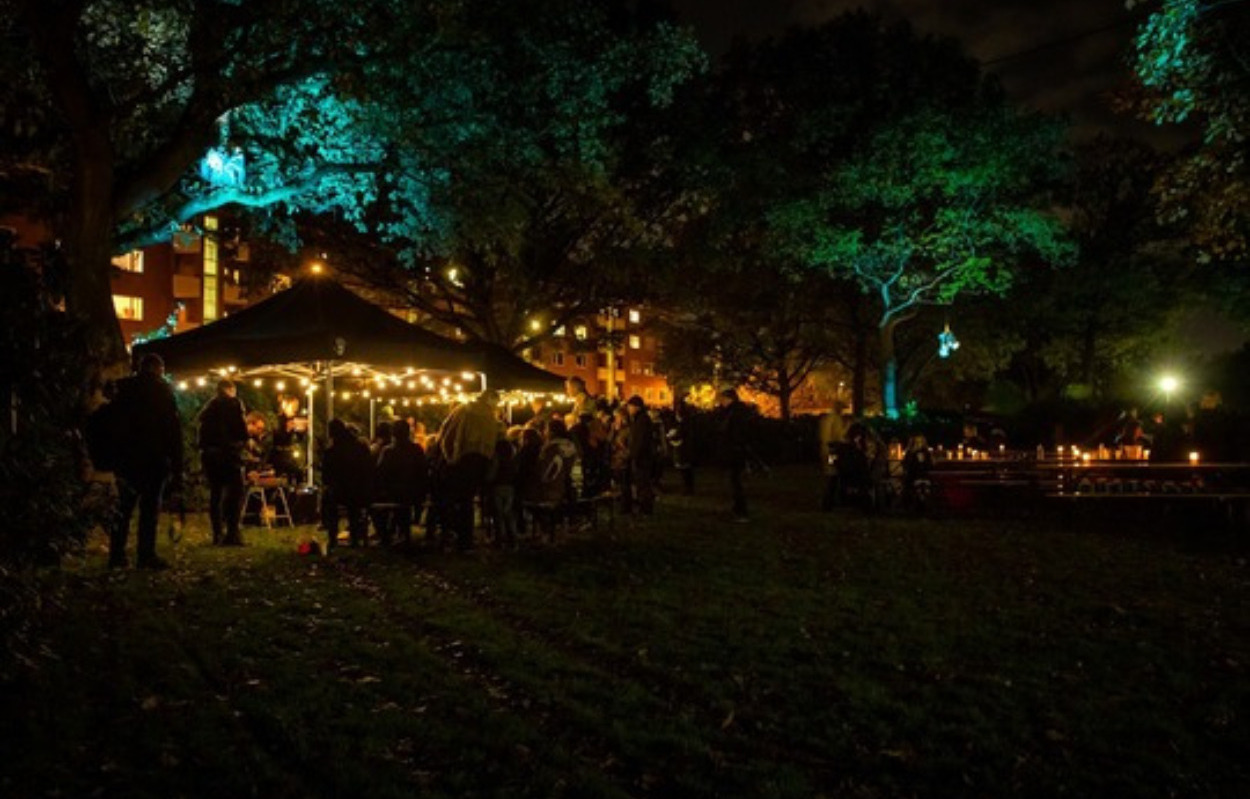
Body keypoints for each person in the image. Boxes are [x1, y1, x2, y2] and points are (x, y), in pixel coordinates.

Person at [110, 353, 183, 569]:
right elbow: (172, 427)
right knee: (149, 509)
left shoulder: (122, 388)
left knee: (123, 507)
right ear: (158, 368)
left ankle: (116, 555)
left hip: (126, 457)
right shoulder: (162, 390)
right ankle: (145, 555)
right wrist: (176, 463)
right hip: (154, 456)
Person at [438, 391, 503, 551]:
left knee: (455, 499)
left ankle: (454, 535)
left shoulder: (463, 409)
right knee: (468, 500)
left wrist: (449, 456)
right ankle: (466, 538)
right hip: (481, 460)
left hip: (460, 458)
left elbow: (446, 431)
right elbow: (492, 442)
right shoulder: (490, 416)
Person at [198, 379, 249, 546]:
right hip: (229, 454)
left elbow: (201, 433)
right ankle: (232, 532)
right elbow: (241, 430)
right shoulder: (234, 404)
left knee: (216, 494)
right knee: (236, 492)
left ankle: (217, 533)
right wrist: (242, 442)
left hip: (210, 455)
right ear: (229, 389)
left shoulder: (209, 408)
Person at [375, 420, 428, 547]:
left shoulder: (388, 451)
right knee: (401, 499)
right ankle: (400, 532)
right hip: (415, 492)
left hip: (394, 493)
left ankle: (387, 534)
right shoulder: (417, 449)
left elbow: (380, 473)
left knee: (377, 503)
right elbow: (424, 472)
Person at [321, 418, 373, 549]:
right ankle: (354, 538)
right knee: (353, 508)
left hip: (342, 492)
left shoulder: (331, 452)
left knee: (329, 499)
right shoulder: (361, 447)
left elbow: (326, 477)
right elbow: (369, 469)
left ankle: (332, 536)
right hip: (361, 491)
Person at [717, 389, 750, 522]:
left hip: (735, 452)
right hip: (735, 451)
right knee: (735, 482)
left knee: (736, 482)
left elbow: (735, 432)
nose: (721, 402)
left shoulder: (734, 413)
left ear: (728, 398)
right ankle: (738, 509)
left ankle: (741, 512)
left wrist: (735, 447)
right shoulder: (736, 412)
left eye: (722, 399)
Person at [485, 434, 519, 548]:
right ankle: (513, 539)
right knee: (508, 513)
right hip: (510, 488)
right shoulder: (513, 459)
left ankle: (499, 538)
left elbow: (491, 474)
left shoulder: (496, 459)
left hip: (498, 487)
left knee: (498, 515)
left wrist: (487, 479)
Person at [625, 396, 655, 515]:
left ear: (637, 407)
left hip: (642, 457)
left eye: (630, 406)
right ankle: (644, 506)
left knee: (643, 482)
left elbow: (640, 440)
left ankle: (646, 508)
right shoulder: (638, 419)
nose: (628, 408)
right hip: (641, 456)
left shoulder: (642, 420)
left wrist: (634, 454)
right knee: (640, 482)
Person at [818, 404, 847, 510]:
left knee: (832, 475)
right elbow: (837, 435)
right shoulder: (835, 419)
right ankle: (828, 502)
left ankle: (829, 501)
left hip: (829, 450)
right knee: (832, 474)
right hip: (832, 451)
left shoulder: (828, 419)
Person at [667, 399, 695, 495]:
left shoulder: (686, 420)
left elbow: (684, 432)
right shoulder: (676, 419)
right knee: (682, 467)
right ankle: (686, 487)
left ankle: (688, 488)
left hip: (684, 446)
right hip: (679, 446)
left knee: (686, 468)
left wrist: (675, 434)